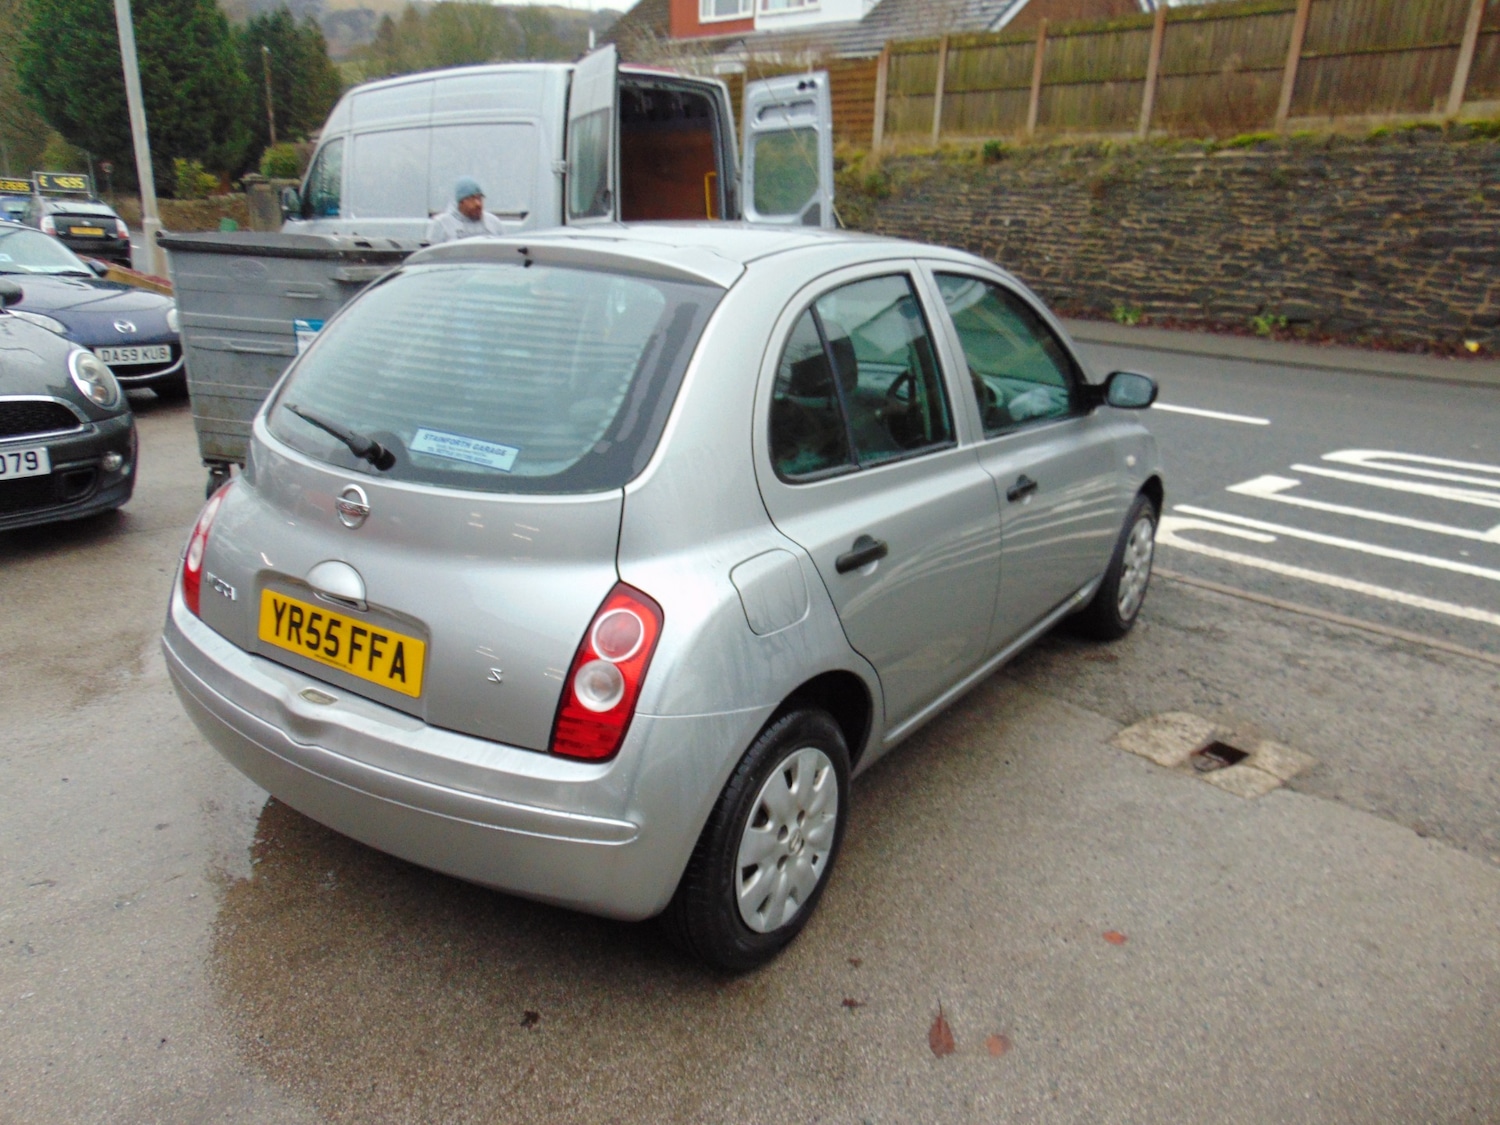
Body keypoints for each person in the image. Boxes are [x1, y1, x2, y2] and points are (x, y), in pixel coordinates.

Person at [424, 177, 505, 244]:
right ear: (460, 202)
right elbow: (432, 256)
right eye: (472, 198)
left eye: (479, 198)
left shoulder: (494, 223)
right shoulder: (441, 224)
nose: (478, 204)